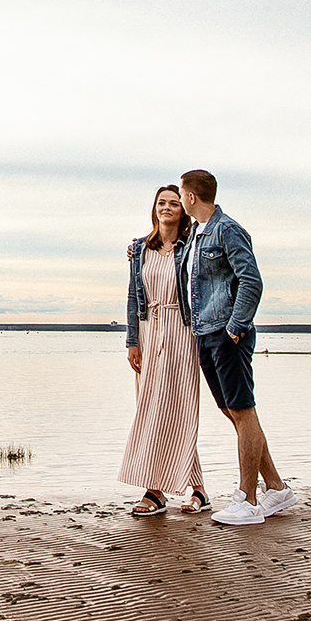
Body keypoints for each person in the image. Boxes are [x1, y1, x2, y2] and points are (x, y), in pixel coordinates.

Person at [177, 168, 297, 524]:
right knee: (234, 412)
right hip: (205, 333)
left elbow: (252, 280)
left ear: (192, 197)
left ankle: (246, 499)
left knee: (243, 411)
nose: (181, 200)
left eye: (181, 194)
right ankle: (275, 488)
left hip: (228, 334)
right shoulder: (198, 233)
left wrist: (236, 327)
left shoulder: (227, 230)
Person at [117, 184, 210, 516]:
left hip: (182, 331)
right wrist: (132, 341)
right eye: (161, 203)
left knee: (179, 408)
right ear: (154, 208)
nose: (167, 207)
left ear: (183, 209)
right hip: (149, 328)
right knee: (152, 407)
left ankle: (156, 491)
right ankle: (194, 490)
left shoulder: (191, 246)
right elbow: (133, 297)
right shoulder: (140, 249)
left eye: (174, 203)